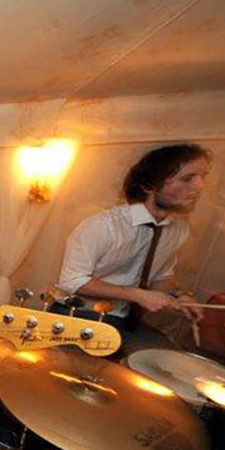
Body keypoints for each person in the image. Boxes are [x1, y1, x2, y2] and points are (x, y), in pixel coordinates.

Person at [55, 143, 209, 351]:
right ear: (149, 185)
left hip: (124, 320)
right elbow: (72, 280)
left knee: (169, 358)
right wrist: (136, 295)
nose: (199, 186)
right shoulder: (103, 225)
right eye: (187, 178)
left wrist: (181, 296)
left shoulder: (178, 229)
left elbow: (161, 276)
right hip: (77, 315)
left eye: (203, 177)